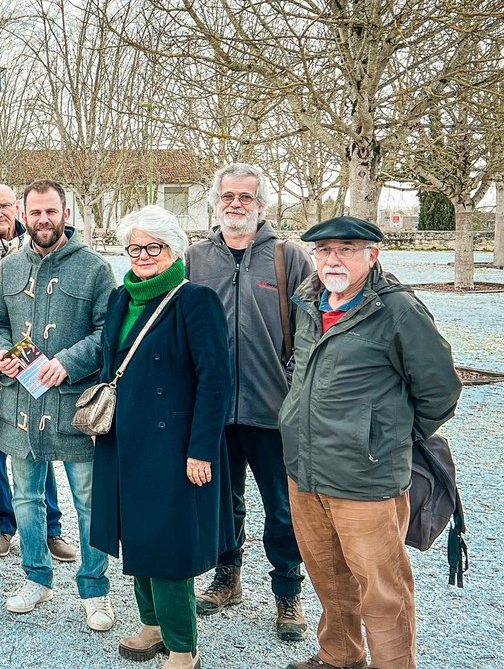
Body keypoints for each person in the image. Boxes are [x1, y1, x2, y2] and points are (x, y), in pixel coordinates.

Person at [280, 217, 462, 669]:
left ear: (373, 255)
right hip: (306, 471)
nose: (333, 260)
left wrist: (387, 437)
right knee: (329, 577)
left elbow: (440, 390)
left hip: (366, 478)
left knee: (383, 591)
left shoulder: (398, 310)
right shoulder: (308, 301)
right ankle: (340, 655)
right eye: (324, 251)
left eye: (346, 249)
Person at [93, 206, 232, 669]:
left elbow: (216, 381)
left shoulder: (195, 300)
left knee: (169, 548)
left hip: (173, 447)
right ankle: (152, 625)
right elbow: (109, 364)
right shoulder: (120, 297)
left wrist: (201, 450)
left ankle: (183, 647)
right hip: (123, 441)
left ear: (174, 250)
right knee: (138, 538)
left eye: (154, 247)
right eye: (134, 248)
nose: (143, 256)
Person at [185, 163, 311, 640]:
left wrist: (290, 385)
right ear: (216, 202)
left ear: (261, 205)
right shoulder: (196, 258)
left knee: (282, 507)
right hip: (214, 410)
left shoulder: (288, 256)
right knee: (223, 502)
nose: (236, 204)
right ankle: (228, 576)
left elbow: (310, 329)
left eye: (246, 197)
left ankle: (288, 591)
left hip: (272, 409)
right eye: (228, 196)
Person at [0, 180, 116, 631]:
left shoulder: (95, 268)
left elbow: (107, 333)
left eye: (51, 211)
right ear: (24, 215)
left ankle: (95, 589)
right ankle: (36, 577)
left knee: (88, 502)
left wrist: (67, 361)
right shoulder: (10, 266)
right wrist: (1, 353)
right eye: (35, 212)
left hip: (74, 407)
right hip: (21, 405)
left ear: (65, 213)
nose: (42, 220)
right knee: (26, 498)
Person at [0, 183, 74, 561]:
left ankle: (51, 527)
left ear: (17, 210)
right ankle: (3, 524)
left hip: (31, 371)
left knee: (38, 449)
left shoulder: (36, 247)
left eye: (4, 205)